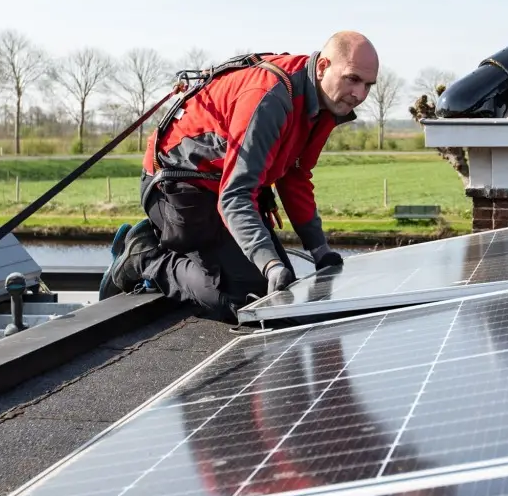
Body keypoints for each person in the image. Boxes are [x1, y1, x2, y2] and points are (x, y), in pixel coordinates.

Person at [98, 31, 380, 321]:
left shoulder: (323, 106)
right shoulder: (271, 98)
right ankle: (144, 256)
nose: (360, 95)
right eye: (352, 79)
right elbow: (235, 196)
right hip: (177, 184)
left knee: (280, 292)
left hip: (225, 184)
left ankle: (172, 243)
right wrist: (269, 263)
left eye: (368, 85)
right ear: (322, 67)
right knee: (245, 300)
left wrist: (319, 249)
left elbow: (295, 176)